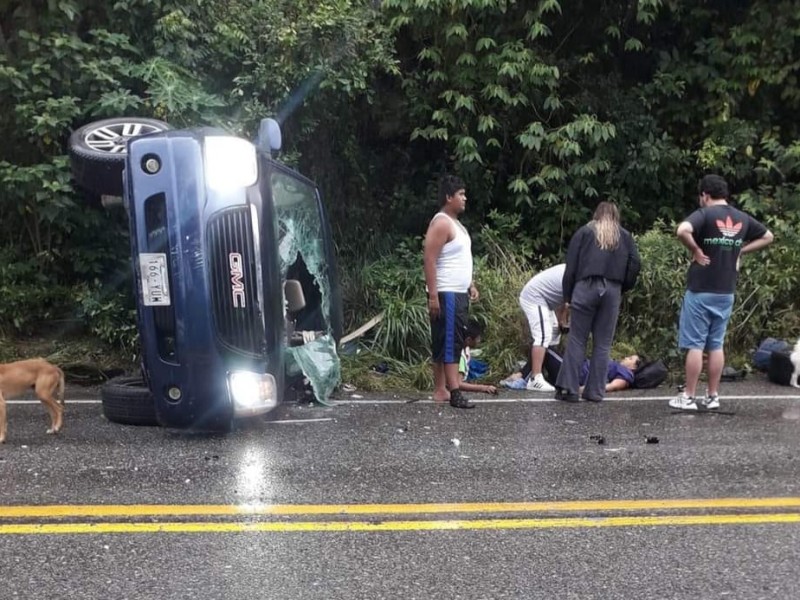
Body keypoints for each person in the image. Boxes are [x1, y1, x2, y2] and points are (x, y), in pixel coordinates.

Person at [670, 174, 773, 411]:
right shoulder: (741, 217)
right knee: (716, 344)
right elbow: (768, 236)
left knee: (695, 344)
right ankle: (713, 396)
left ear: (705, 195)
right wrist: (741, 251)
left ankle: (688, 396)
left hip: (700, 288)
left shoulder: (705, 214)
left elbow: (682, 230)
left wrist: (695, 249)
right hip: (726, 290)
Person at [556, 201, 640, 403]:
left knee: (577, 339)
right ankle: (595, 391)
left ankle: (570, 389)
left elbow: (571, 268)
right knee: (603, 344)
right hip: (612, 289)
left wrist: (567, 297)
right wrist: (622, 286)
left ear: (596, 214)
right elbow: (635, 264)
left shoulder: (585, 232)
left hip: (585, 286)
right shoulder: (625, 236)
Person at [423, 174, 479, 409]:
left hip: (458, 291)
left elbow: (459, 259)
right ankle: (455, 392)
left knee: (443, 341)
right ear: (448, 197)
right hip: (447, 293)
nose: (465, 198)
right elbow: (429, 258)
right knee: (451, 343)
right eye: (460, 194)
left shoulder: (457, 225)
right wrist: (434, 295)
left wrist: (471, 284)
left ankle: (440, 389)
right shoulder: (442, 222)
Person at [518, 263, 568, 392]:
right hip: (535, 297)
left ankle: (537, 374)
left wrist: (561, 320)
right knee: (543, 335)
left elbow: (566, 300)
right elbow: (571, 301)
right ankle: (535, 378)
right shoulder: (576, 272)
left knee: (553, 336)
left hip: (547, 302)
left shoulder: (575, 269)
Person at [501, 350, 642, 393]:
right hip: (576, 368)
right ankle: (524, 375)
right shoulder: (620, 367)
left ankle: (520, 377)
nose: (626, 358)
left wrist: (581, 389)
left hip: (574, 372)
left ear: (634, 367)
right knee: (543, 349)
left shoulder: (626, 373)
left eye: (630, 358)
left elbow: (613, 386)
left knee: (545, 348)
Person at [457, 320, 497, 395]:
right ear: (468, 340)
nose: (479, 340)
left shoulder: (466, 349)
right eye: (478, 338)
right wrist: (483, 388)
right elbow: (458, 384)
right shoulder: (460, 357)